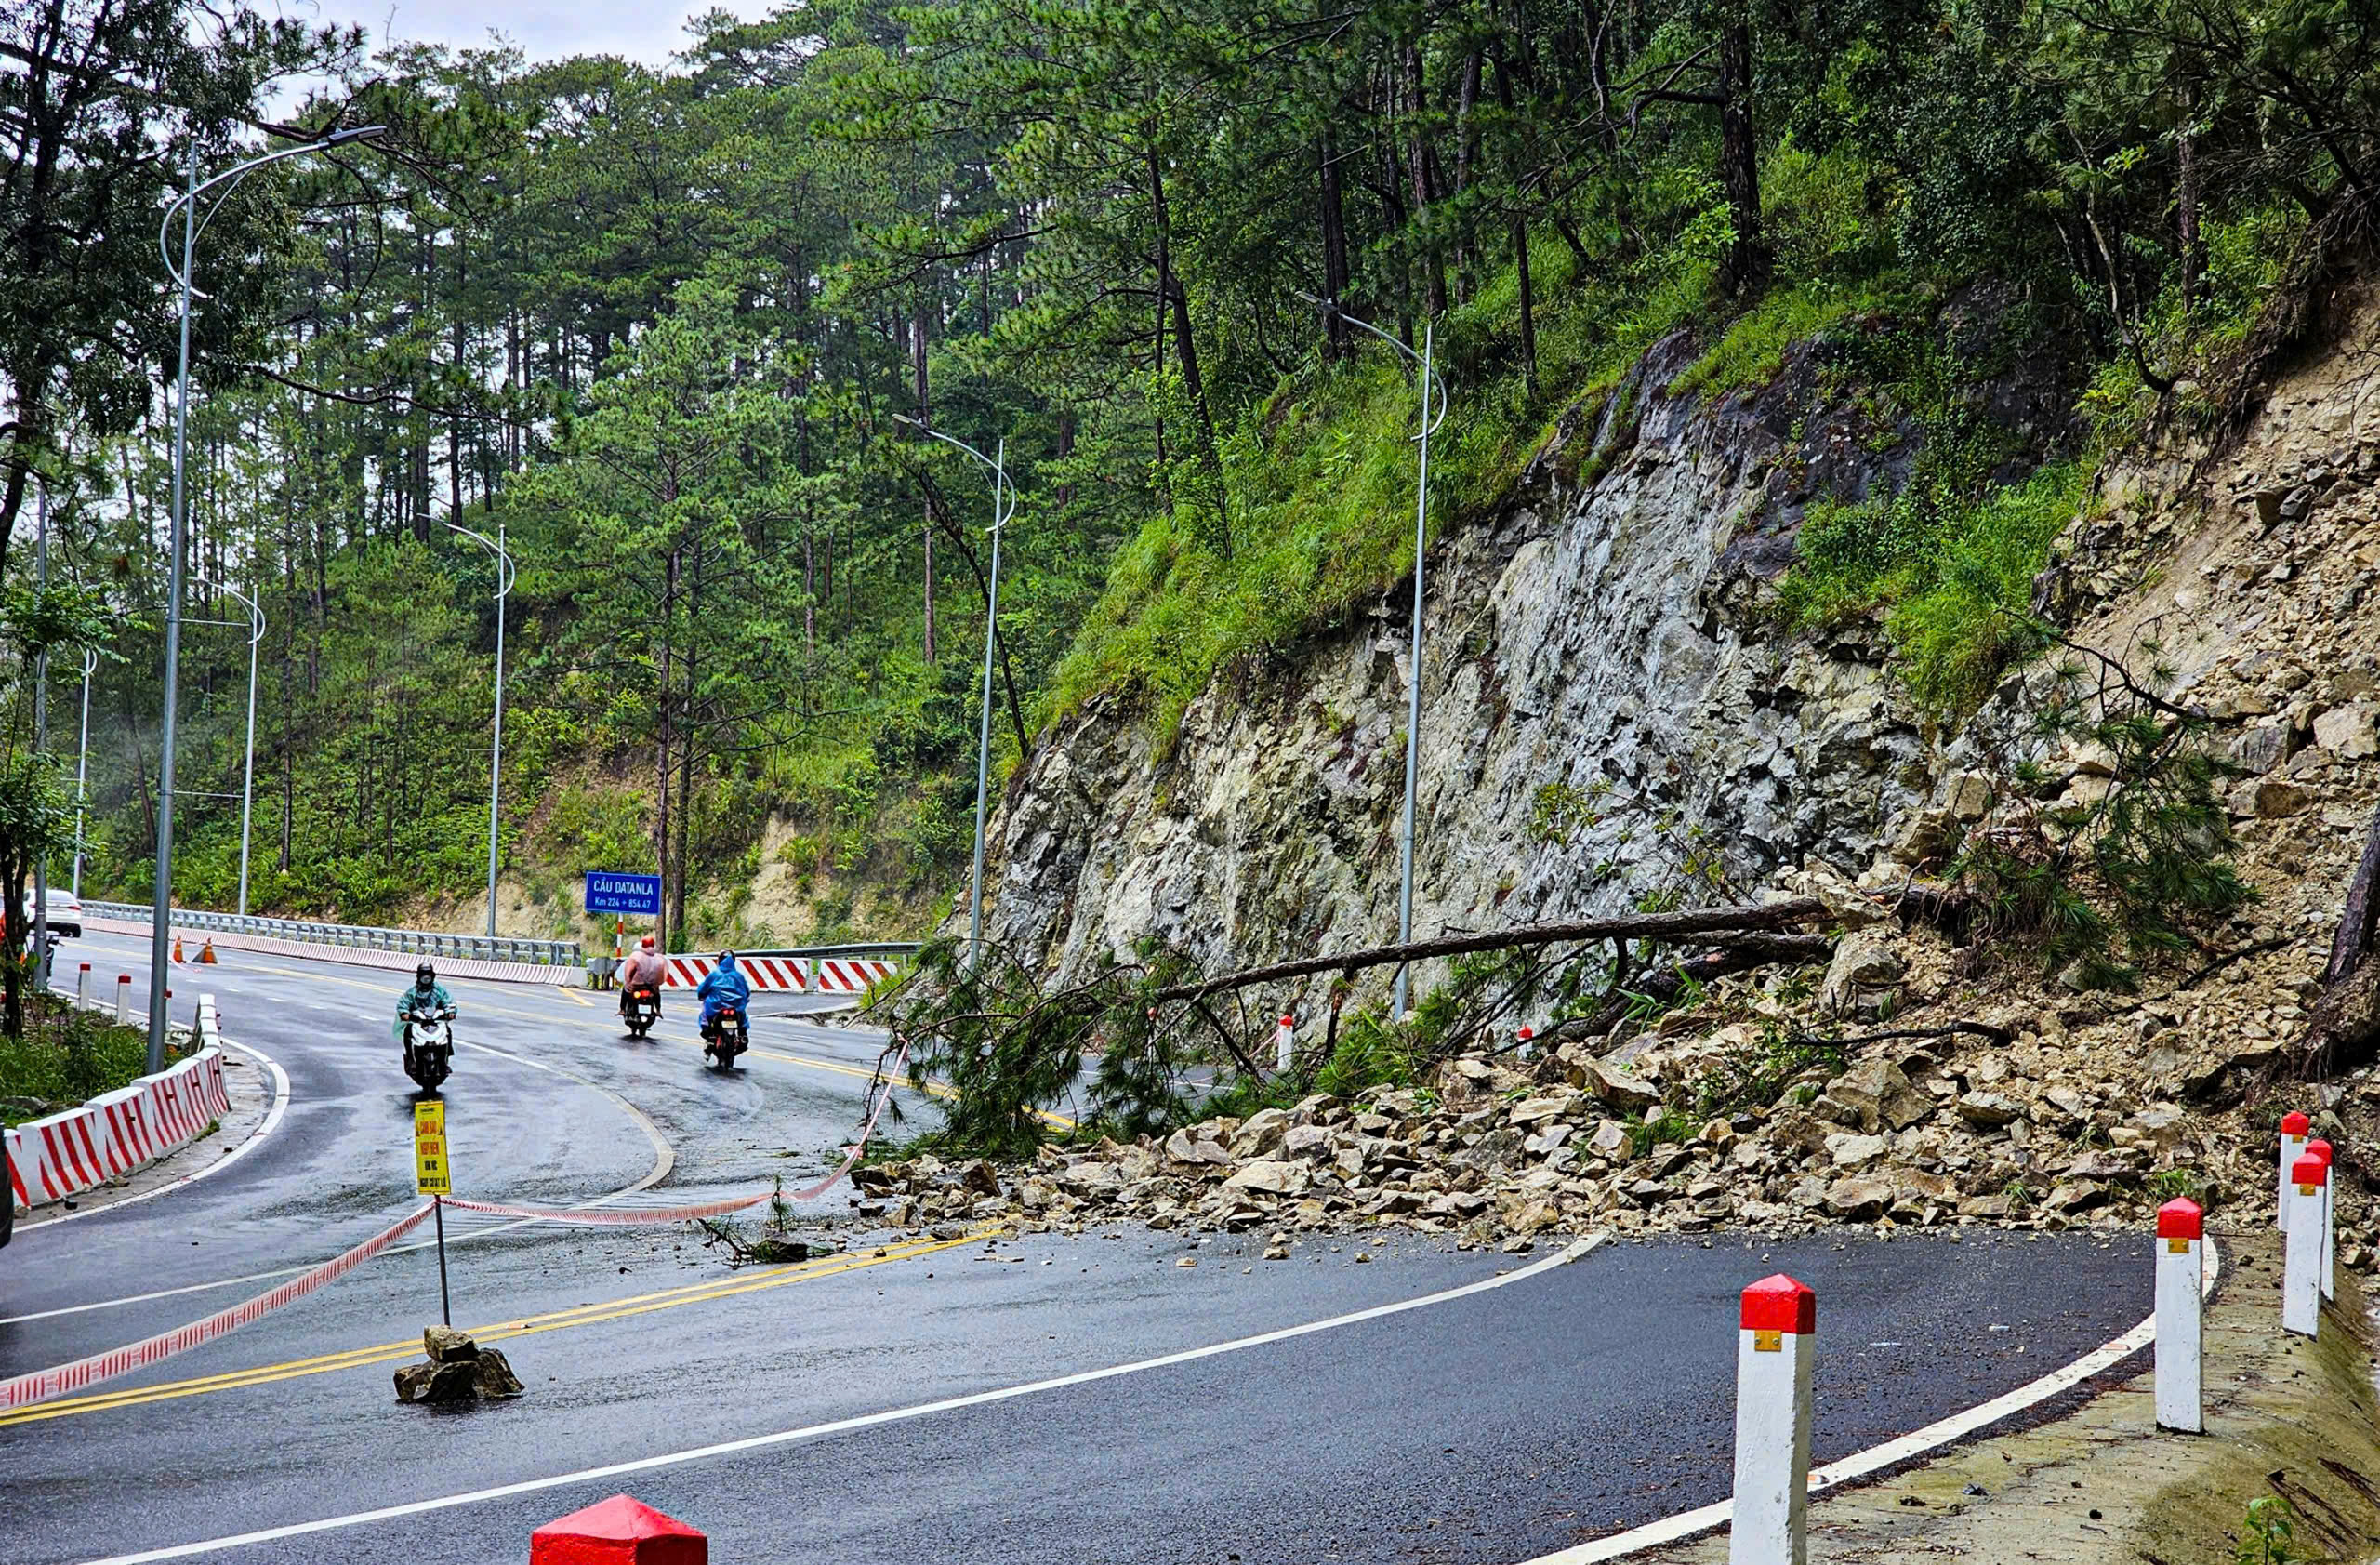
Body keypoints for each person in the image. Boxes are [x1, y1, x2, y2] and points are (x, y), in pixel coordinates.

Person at [394, 962, 455, 1042]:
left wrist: (450, 1012)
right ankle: (409, 1054)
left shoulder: (440, 991)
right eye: (423, 974)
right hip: (418, 1022)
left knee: (448, 1031)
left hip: (436, 1021)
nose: (426, 977)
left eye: (428, 974)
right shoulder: (412, 992)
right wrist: (404, 1013)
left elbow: (447, 1001)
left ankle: (447, 1051)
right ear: (419, 976)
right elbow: (404, 1003)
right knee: (408, 1031)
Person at [695, 949, 748, 1037]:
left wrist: (701, 995)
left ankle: (706, 1029)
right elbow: (746, 991)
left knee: (705, 1011)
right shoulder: (739, 976)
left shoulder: (714, 974)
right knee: (743, 1017)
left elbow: (703, 988)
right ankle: (743, 1034)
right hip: (736, 1006)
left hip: (716, 1006)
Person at [617, 935, 667, 1014]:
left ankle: (622, 1009)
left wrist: (628, 981)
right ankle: (658, 1010)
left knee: (626, 989)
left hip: (637, 984)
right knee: (656, 992)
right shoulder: (655, 958)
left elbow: (628, 972)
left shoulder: (634, 958)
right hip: (650, 985)